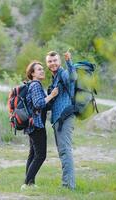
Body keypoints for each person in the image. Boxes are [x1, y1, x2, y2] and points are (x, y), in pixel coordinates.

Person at [21, 61, 58, 190]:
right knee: (41, 155)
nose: (42, 71)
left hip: (32, 125)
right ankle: (27, 183)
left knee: (33, 154)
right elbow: (38, 104)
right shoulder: (35, 85)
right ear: (32, 73)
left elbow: (43, 105)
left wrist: (50, 97)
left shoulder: (33, 85)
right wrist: (52, 95)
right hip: (36, 125)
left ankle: (30, 183)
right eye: (39, 69)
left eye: (43, 69)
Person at [45, 50, 77, 190]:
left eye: (55, 61)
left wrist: (69, 61)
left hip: (65, 116)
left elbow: (72, 78)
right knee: (62, 152)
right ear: (47, 64)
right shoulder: (55, 77)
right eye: (50, 61)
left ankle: (68, 186)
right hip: (58, 119)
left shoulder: (63, 73)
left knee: (65, 151)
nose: (53, 63)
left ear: (59, 61)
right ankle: (67, 184)